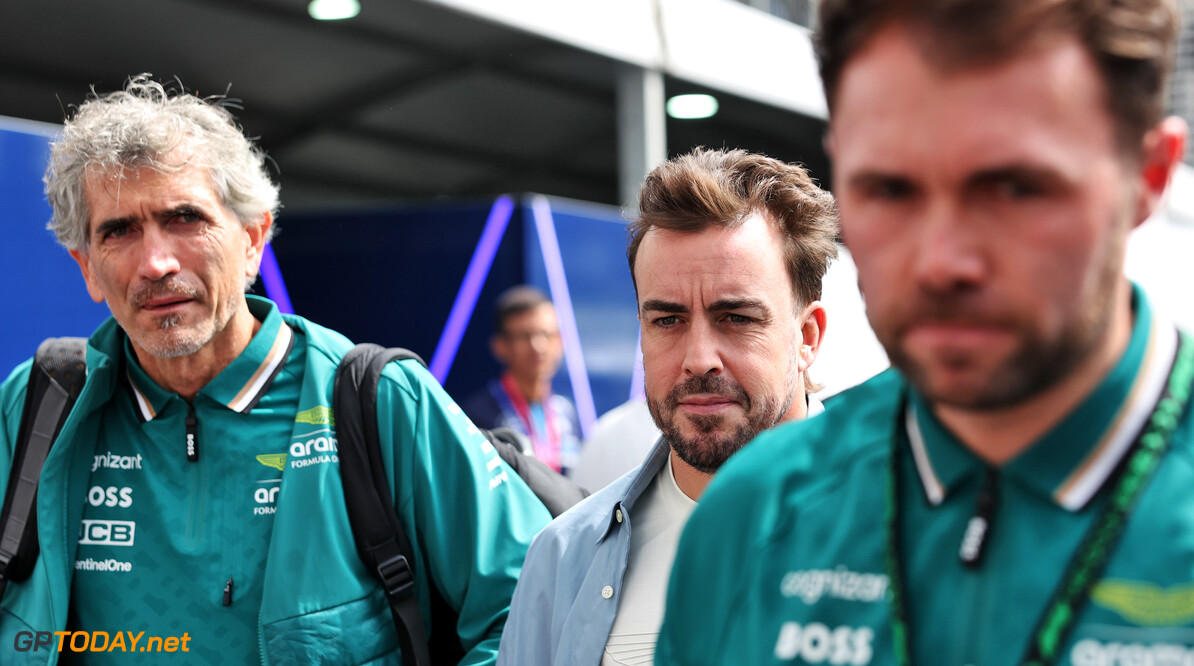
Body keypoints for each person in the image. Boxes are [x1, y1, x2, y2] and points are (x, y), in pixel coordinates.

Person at [656, 1, 1192, 664]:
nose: (941, 261)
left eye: (1014, 188)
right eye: (890, 189)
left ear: (1149, 176)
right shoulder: (757, 512)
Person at [0, 75, 550, 664]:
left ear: (254, 239)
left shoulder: (381, 401)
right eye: (119, 231)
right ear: (87, 268)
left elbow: (532, 609)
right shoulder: (40, 403)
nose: (156, 263)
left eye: (185, 217)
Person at [498, 147, 839, 665]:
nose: (698, 359)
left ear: (807, 335)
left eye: (737, 318)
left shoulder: (925, 529)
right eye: (668, 321)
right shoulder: (564, 559)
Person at [463, 286, 583, 475]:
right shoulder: (476, 416)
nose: (538, 346)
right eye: (524, 336)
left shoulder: (566, 412)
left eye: (546, 334)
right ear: (500, 346)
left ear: (560, 341)